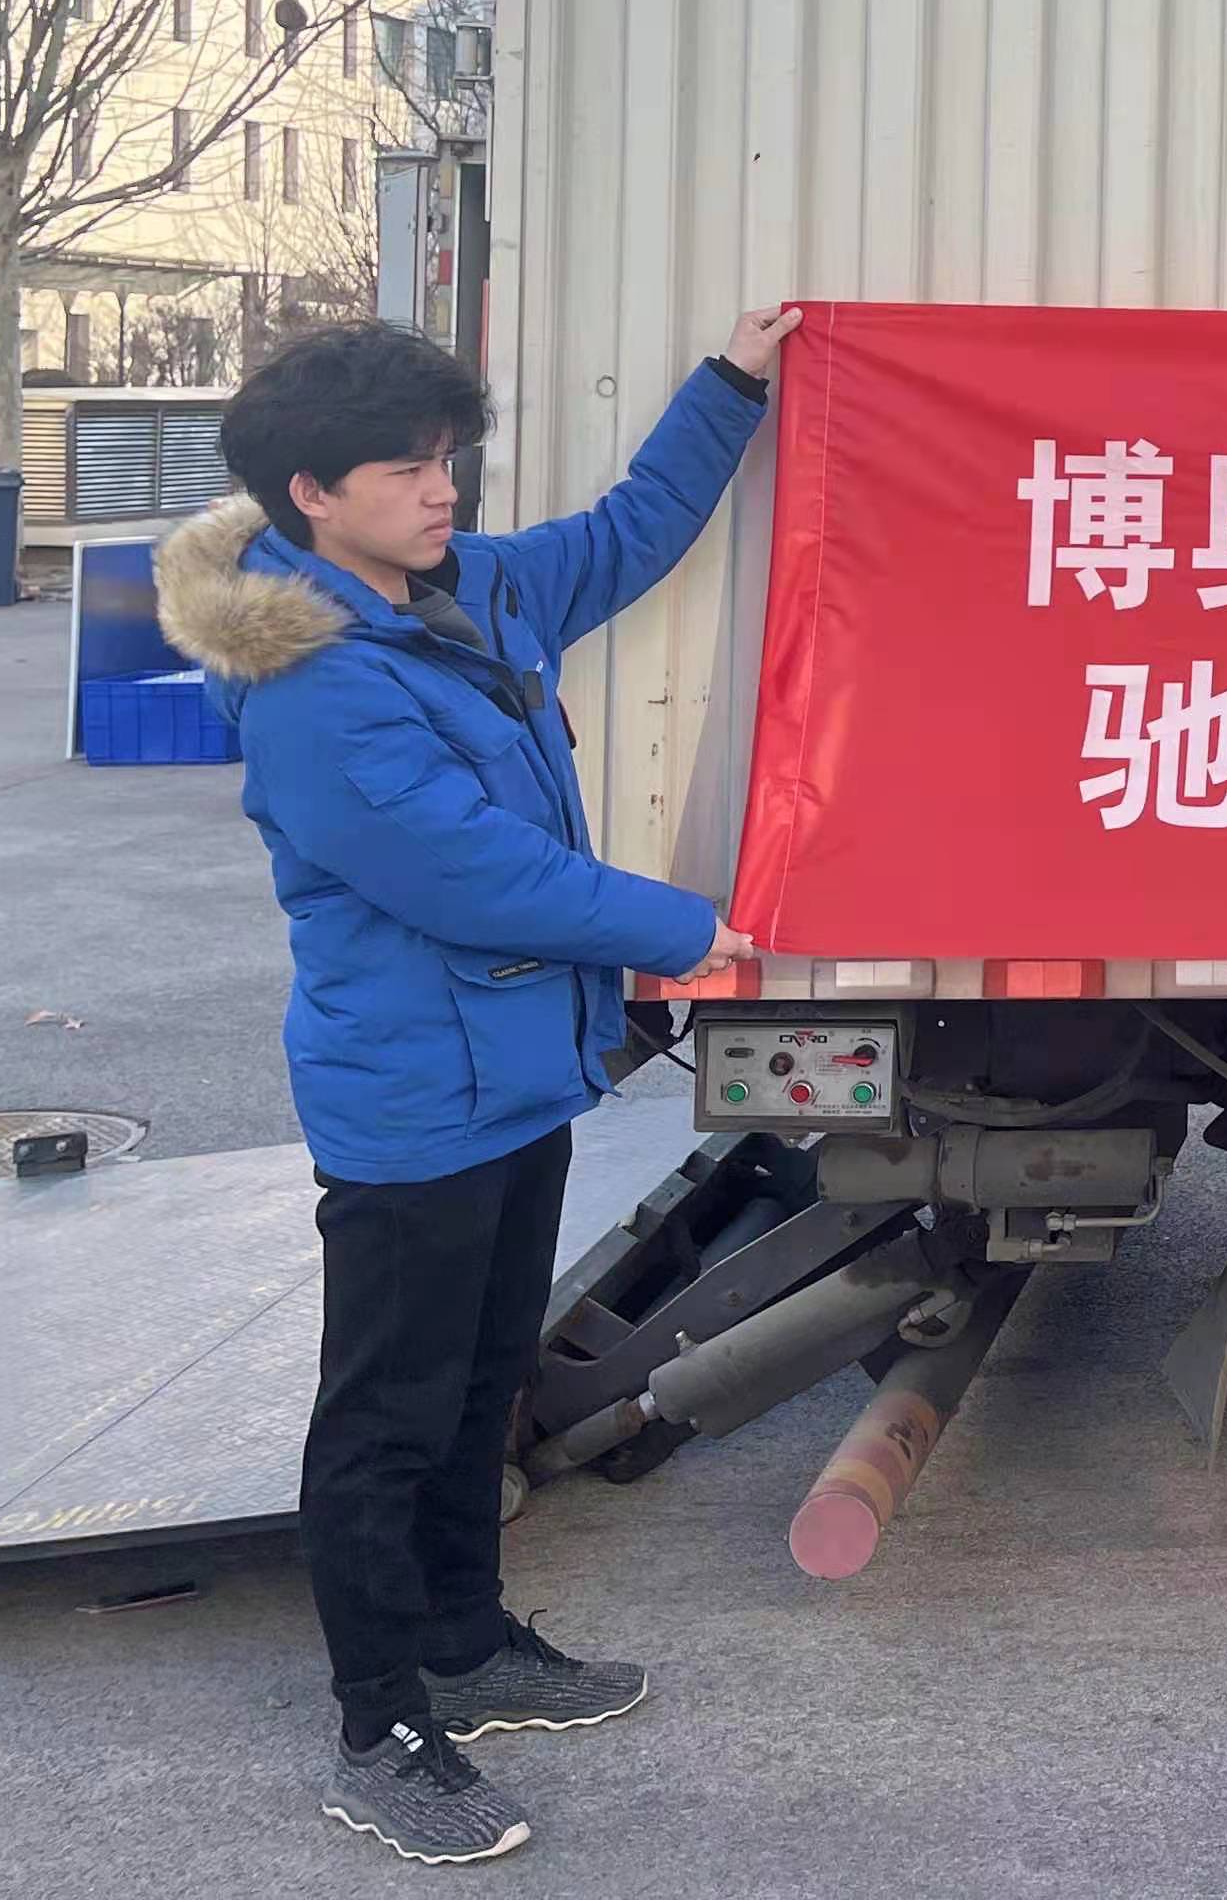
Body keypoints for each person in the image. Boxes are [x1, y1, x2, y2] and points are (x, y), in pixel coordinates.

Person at [160, 313, 794, 1865]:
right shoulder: (313, 683)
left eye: (448, 459)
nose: (442, 489)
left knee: (479, 1381)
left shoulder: (468, 589)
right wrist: (682, 929)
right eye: (406, 469)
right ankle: (378, 1725)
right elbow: (466, 870)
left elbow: (628, 536)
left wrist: (731, 386)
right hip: (411, 1101)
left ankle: (467, 1643)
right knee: (386, 1415)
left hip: (508, 1080)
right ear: (313, 494)